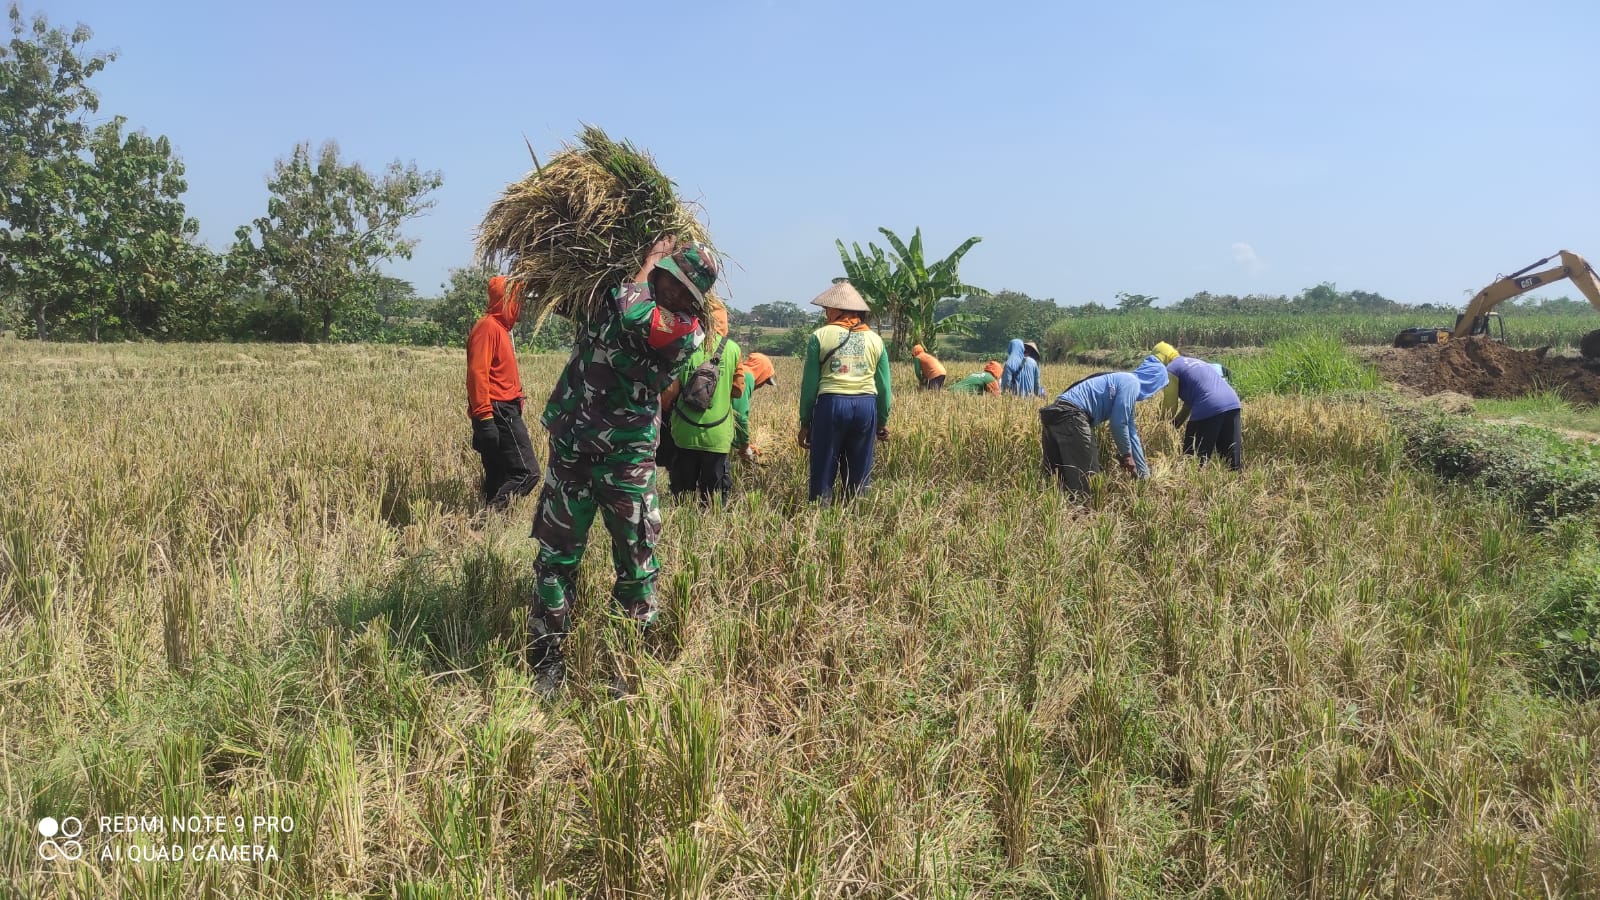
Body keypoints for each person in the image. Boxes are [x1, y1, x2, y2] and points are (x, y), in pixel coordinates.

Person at [528, 237, 716, 692]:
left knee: (636, 564)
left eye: (680, 285)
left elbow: (634, 314)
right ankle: (547, 658)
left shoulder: (683, 329)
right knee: (555, 560)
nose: (669, 287)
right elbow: (559, 297)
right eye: (667, 276)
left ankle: (624, 665)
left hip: (626, 461)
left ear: (691, 298)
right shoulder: (608, 293)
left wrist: (647, 261)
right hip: (572, 448)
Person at [797, 281, 892, 502]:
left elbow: (810, 386)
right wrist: (882, 420)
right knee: (859, 472)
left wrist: (805, 422)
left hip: (831, 404)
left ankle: (820, 516)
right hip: (866, 407)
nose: (826, 313)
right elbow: (884, 387)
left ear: (839, 309)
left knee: (823, 467)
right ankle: (856, 518)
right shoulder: (875, 340)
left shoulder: (820, 336)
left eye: (827, 309)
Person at [1038, 355, 1169, 493]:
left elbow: (1132, 434)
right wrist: (1127, 456)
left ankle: (1063, 511)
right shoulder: (1132, 383)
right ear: (1153, 381)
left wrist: (1144, 475)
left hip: (1054, 414)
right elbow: (1118, 424)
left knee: (1057, 479)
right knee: (1087, 483)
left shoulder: (1125, 382)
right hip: (1071, 416)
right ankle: (1082, 511)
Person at [466, 275, 540, 510]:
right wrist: (485, 417)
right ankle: (490, 516)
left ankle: (485, 529)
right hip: (498, 409)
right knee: (527, 473)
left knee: (499, 473)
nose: (521, 306)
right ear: (505, 299)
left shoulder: (500, 329)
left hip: (503, 408)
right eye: (517, 299)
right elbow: (477, 374)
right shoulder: (488, 327)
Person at [660, 301, 742, 503]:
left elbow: (669, 393)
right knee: (713, 501)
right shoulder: (732, 349)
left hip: (685, 434)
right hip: (718, 436)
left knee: (683, 499)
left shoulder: (684, 345)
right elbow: (738, 390)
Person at [1154, 342, 1243, 470]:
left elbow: (1170, 405)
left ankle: (1194, 485)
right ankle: (1237, 485)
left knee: (1194, 459)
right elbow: (1188, 405)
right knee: (1230, 458)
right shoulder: (1194, 362)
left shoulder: (1171, 369)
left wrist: (1159, 427)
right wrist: (1175, 424)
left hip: (1209, 406)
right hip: (1233, 404)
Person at [731, 351, 778, 459]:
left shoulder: (739, 370)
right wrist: (745, 445)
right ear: (761, 372)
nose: (761, 385)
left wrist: (739, 443)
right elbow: (740, 415)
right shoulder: (746, 377)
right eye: (765, 380)